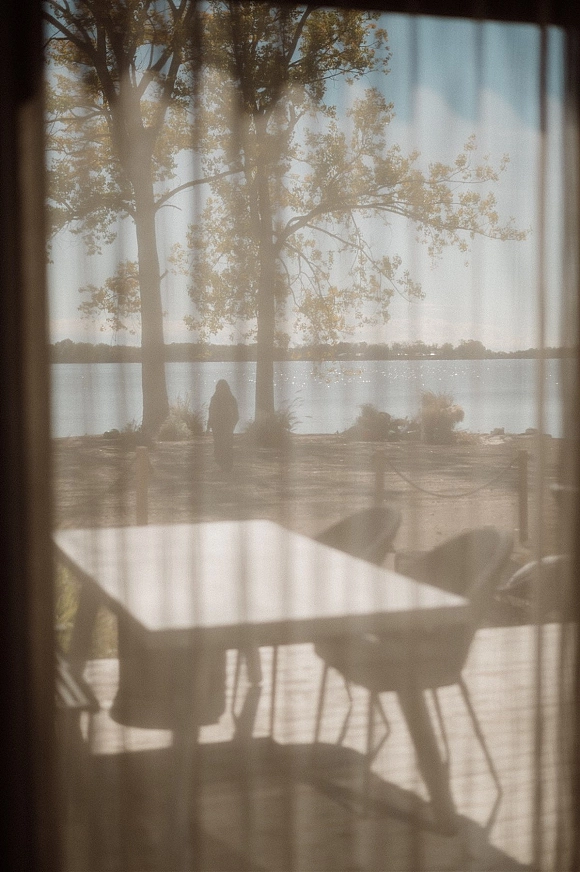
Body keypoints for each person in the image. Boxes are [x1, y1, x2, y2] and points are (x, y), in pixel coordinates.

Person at [207, 379, 239, 473]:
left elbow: (236, 415)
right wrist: (209, 425)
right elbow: (211, 412)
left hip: (226, 426)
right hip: (217, 427)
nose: (220, 389)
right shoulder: (215, 398)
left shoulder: (231, 399)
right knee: (219, 446)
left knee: (227, 446)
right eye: (219, 387)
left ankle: (227, 466)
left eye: (222, 387)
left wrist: (232, 425)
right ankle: (222, 465)